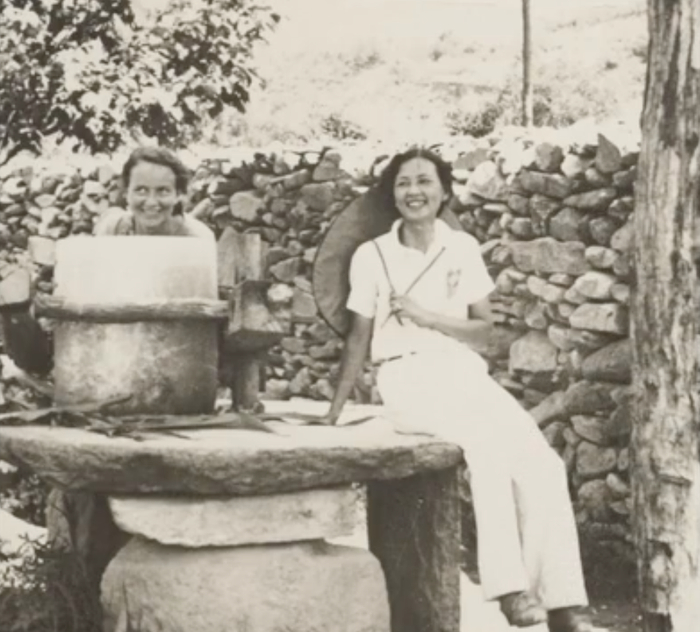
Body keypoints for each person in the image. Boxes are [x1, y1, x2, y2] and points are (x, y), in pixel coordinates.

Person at [320, 147, 592, 632]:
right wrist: (335, 409)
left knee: (542, 462)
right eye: (403, 183)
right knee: (486, 450)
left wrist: (429, 317)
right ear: (392, 194)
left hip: (463, 372)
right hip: (406, 377)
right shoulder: (372, 255)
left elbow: (484, 331)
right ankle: (509, 591)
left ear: (445, 191)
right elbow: (359, 336)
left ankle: (563, 604)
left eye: (425, 181)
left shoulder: (461, 247)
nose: (414, 192)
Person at [1, 146, 214, 376]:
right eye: (141, 190)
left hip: (176, 344)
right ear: (126, 193)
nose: (151, 201)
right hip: (117, 338)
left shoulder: (195, 240)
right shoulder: (114, 228)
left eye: (163, 191)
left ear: (179, 194)